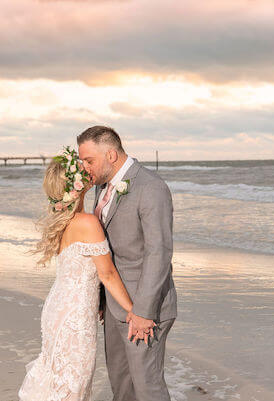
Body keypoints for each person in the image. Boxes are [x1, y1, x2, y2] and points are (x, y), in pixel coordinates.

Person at [18, 147, 135, 401]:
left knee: (61, 384)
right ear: (77, 185)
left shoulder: (65, 222)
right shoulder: (87, 223)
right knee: (73, 387)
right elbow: (108, 274)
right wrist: (133, 311)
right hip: (74, 319)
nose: (89, 173)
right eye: (84, 172)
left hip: (57, 311)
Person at [78, 126, 177, 401]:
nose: (85, 167)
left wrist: (144, 312)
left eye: (89, 161)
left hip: (145, 309)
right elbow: (106, 249)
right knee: (121, 386)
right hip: (114, 306)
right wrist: (101, 299)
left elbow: (159, 252)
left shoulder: (151, 188)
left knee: (147, 389)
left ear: (110, 154)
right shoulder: (102, 187)